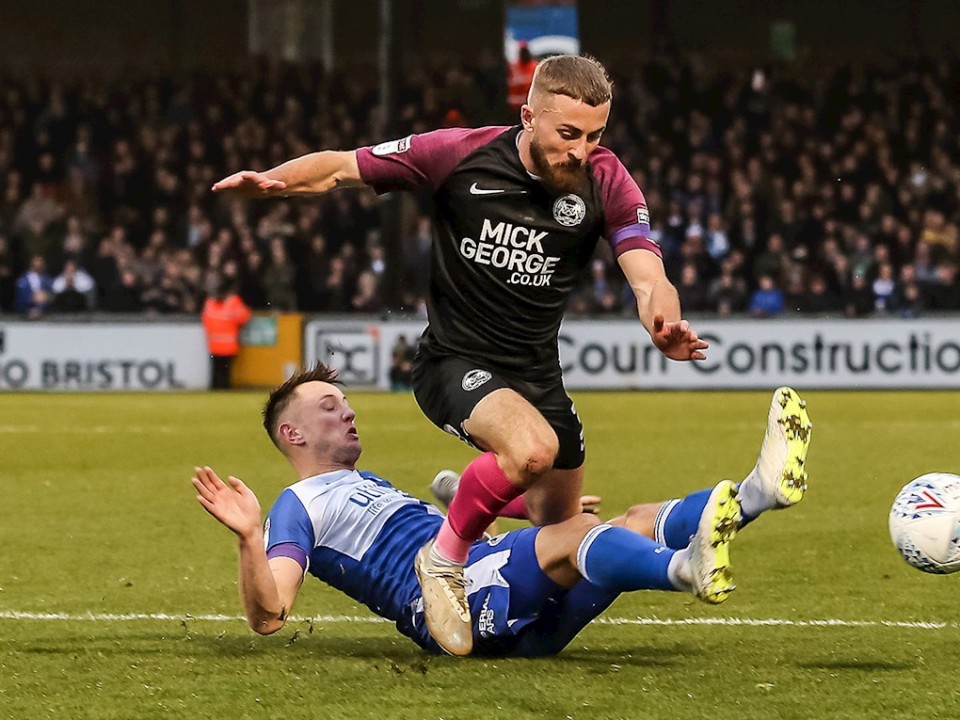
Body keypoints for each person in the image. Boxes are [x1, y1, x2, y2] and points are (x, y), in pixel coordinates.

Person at [211, 54, 709, 655]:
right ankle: (444, 557)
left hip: (536, 376)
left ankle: (498, 542)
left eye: (595, 135)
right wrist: (276, 180)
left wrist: (662, 320)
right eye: (568, 133)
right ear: (529, 117)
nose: (582, 150)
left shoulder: (605, 178)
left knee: (566, 531)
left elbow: (647, 273)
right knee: (532, 450)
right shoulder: (458, 154)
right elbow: (343, 167)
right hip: (454, 362)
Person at [192, 364, 812, 657]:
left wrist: (517, 508)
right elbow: (270, 614)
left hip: (496, 606)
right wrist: (249, 536)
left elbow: (444, 534)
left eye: (345, 402)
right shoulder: (296, 506)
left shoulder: (361, 483)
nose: (349, 411)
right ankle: (684, 568)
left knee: (625, 522)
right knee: (579, 533)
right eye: (329, 407)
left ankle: (755, 494)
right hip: (454, 608)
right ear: (293, 435)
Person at [201, 278, 253, 390]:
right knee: (225, 372)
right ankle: (224, 388)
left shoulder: (209, 304)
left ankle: (215, 389)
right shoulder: (233, 303)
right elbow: (245, 317)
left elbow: (205, 320)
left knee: (216, 371)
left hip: (214, 345)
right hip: (228, 345)